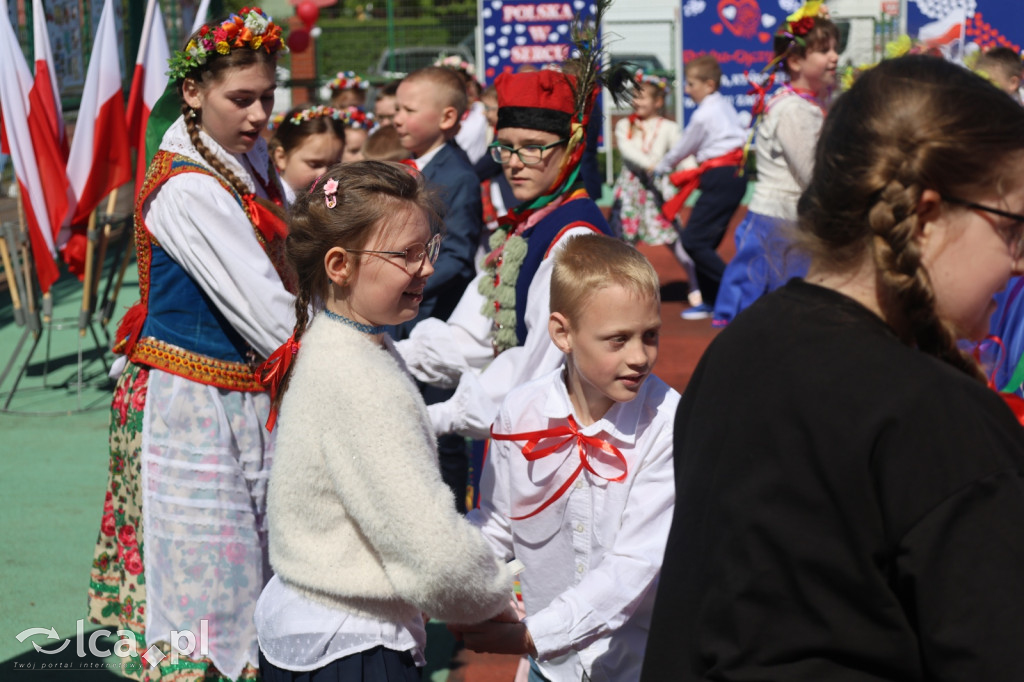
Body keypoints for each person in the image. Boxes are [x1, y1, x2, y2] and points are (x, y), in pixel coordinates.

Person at [642, 55, 1024, 681]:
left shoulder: (742, 348)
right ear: (927, 218)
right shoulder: (936, 416)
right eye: (1013, 229)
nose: (1018, 263)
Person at [88, 9, 295, 681]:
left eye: (267, 96)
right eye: (243, 98)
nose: (260, 113)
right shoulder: (191, 189)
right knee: (208, 588)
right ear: (194, 92)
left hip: (235, 395)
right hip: (190, 406)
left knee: (248, 569)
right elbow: (271, 316)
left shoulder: (243, 158)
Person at [253, 161, 514, 681]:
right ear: (339, 265)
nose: (425, 269)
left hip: (316, 621)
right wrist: (492, 599)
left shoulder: (342, 341)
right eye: (405, 255)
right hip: (353, 646)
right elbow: (429, 545)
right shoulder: (359, 375)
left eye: (428, 250)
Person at [455, 234, 679, 682]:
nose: (639, 357)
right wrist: (445, 580)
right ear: (562, 333)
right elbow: (499, 523)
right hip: (551, 667)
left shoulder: (666, 423)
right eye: (617, 340)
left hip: (633, 665)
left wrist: (530, 635)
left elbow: (634, 565)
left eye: (649, 335)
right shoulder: (522, 412)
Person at [396, 26, 623, 443]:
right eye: (505, 148)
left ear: (572, 148)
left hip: (551, 440)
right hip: (518, 428)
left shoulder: (574, 239)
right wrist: (387, 354)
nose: (514, 164)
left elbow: (537, 366)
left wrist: (430, 420)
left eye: (533, 147)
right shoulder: (528, 222)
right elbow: (475, 332)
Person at [711, 5, 838, 327]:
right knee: (763, 313)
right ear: (795, 61)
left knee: (791, 316)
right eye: (824, 50)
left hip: (795, 221)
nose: (835, 57)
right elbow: (812, 173)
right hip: (777, 224)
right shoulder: (792, 109)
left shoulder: (816, 102)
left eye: (835, 48)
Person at [652, 56, 748, 320]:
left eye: (691, 83)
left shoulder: (705, 113)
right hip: (732, 175)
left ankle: (739, 293)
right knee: (704, 242)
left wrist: (661, 166)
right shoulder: (723, 107)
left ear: (709, 84)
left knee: (693, 240)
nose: (687, 89)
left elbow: (685, 146)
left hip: (721, 175)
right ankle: (712, 299)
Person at [270, 104, 346, 200]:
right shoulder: (269, 205)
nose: (325, 175)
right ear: (281, 158)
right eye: (314, 164)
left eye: (334, 165)